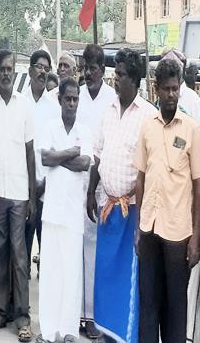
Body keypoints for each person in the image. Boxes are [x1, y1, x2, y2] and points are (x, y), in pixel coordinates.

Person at [86, 48, 155, 343]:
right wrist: (91, 192)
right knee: (105, 277)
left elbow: (150, 172)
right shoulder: (109, 111)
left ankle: (125, 337)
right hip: (107, 208)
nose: (116, 79)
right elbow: (97, 156)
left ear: (135, 80)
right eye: (116, 73)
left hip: (132, 211)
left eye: (122, 75)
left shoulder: (148, 117)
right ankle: (106, 333)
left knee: (128, 282)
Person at [134, 58, 200, 342]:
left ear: (180, 88)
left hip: (178, 234)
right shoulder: (147, 127)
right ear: (156, 89)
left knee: (175, 310)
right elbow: (140, 179)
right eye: (166, 89)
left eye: (175, 88)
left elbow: (199, 187)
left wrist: (197, 237)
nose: (171, 94)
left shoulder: (192, 129)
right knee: (148, 306)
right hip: (149, 229)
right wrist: (138, 227)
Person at [0, 49, 36, 342]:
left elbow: (30, 153)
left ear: (15, 72)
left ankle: (23, 316)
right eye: (1, 69)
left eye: (9, 69)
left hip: (18, 194)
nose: (5, 73)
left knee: (19, 257)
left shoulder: (25, 106)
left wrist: (31, 198)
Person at [37, 78, 92, 343]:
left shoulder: (85, 130)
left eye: (75, 99)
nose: (72, 103)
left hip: (72, 213)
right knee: (51, 274)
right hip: (52, 211)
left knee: (71, 274)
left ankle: (69, 330)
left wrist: (61, 157)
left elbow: (84, 163)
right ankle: (49, 331)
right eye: (68, 98)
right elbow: (46, 158)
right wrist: (70, 152)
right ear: (59, 100)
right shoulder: (49, 127)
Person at [76, 44, 116, 340]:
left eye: (93, 67)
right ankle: (74, 311)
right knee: (74, 249)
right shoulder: (75, 97)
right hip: (73, 181)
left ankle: (92, 315)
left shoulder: (111, 100)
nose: (88, 72)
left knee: (94, 250)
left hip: (99, 186)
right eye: (85, 67)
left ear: (103, 70)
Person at [22, 50, 59, 270]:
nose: (43, 72)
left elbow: (56, 151)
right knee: (22, 252)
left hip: (46, 189)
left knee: (47, 252)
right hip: (23, 189)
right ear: (29, 71)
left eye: (47, 68)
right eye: (39, 67)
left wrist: (42, 184)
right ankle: (21, 302)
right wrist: (29, 186)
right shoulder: (19, 102)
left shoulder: (55, 109)